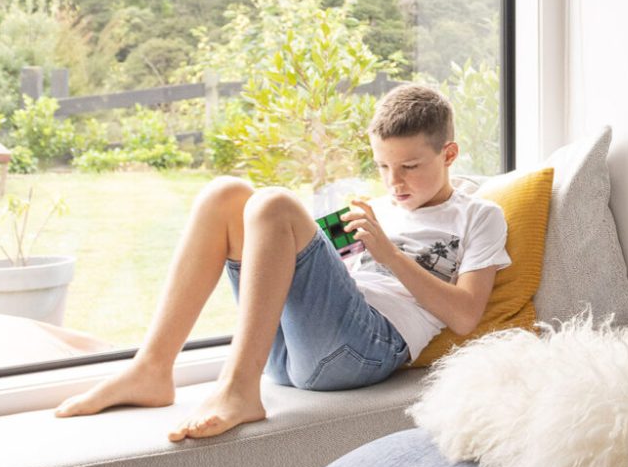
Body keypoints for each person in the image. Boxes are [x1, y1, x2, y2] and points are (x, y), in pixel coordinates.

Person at [55, 81, 509, 443]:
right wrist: (343, 247)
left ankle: (238, 390)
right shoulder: (376, 208)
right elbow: (299, 267)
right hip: (295, 351)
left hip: (366, 347)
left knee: (273, 203)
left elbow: (466, 315)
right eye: (383, 167)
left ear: (448, 154)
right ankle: (151, 368)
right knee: (226, 194)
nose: (395, 182)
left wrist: (387, 254)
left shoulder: (477, 216)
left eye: (409, 166)